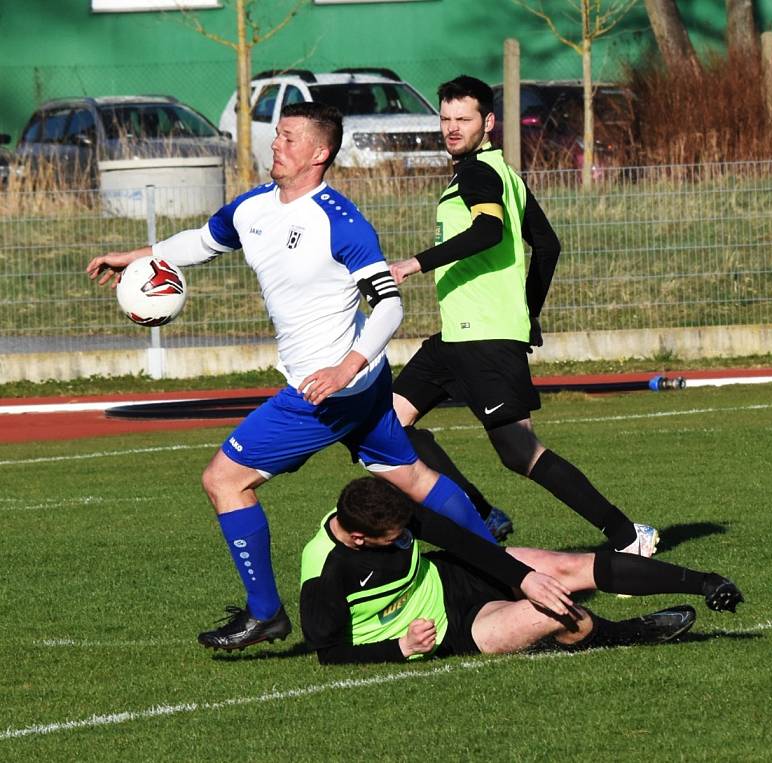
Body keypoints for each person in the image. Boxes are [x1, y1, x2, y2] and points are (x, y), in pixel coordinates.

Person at [86, 102, 495, 653]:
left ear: (319, 153)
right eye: (276, 135)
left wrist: (342, 367)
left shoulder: (341, 223)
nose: (275, 145)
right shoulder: (255, 205)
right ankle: (504, 570)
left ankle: (265, 614)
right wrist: (137, 258)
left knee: (224, 480)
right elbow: (204, 241)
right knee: (414, 477)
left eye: (288, 138)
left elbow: (390, 307)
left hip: (328, 391)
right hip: (360, 386)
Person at [389, 75, 656, 552]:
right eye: (446, 119)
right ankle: (479, 514)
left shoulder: (479, 173)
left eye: (463, 119)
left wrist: (414, 263)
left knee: (519, 452)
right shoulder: (502, 173)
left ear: (487, 122)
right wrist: (527, 314)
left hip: (484, 339)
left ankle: (626, 534)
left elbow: (488, 231)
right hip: (458, 337)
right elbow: (547, 246)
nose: (452, 128)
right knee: (387, 424)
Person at [300, 478, 743, 664]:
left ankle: (704, 581)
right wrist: (399, 647)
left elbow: (463, 543)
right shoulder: (324, 572)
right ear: (358, 539)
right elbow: (330, 652)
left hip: (452, 576)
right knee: (552, 611)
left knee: (559, 569)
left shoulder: (383, 507)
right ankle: (624, 634)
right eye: (393, 537)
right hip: (452, 630)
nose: (403, 537)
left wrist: (523, 575)